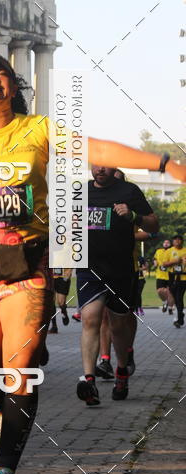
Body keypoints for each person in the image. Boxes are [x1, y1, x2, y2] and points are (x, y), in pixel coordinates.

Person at [0, 54, 185, 474]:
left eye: (3, 75)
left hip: (27, 261)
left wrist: (162, 162)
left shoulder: (37, 129)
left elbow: (97, 149)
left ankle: (6, 471)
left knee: (19, 370)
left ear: (13, 87)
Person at [76, 166, 158, 406]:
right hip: (89, 268)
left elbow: (154, 225)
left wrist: (134, 216)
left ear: (114, 167)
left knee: (118, 326)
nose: (100, 169)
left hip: (121, 269)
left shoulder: (130, 191)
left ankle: (122, 371)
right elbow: (64, 226)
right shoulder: (79, 192)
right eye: (96, 164)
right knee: (90, 319)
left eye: (106, 164)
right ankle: (89, 380)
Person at [167, 233, 186, 328]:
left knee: (179, 297)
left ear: (182, 241)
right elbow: (164, 264)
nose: (177, 241)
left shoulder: (185, 251)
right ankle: (180, 314)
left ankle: (180, 320)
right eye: (175, 239)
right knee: (175, 297)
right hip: (173, 277)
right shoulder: (169, 251)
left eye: (179, 239)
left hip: (183, 278)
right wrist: (175, 261)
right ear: (173, 242)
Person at [154, 238, 174, 314]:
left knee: (169, 292)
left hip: (170, 275)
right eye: (164, 242)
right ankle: (165, 302)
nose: (166, 243)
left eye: (167, 242)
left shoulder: (172, 251)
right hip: (160, 275)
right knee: (159, 291)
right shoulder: (158, 251)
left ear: (170, 244)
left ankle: (170, 308)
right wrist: (155, 262)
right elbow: (155, 258)